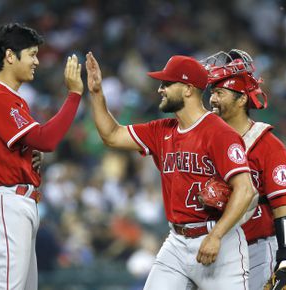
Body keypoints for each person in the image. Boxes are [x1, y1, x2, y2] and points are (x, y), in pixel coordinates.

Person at [86, 51, 256, 290]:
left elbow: (245, 190)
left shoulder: (220, 133)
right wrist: (96, 93)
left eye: (167, 83)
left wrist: (216, 235)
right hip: (177, 241)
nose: (160, 89)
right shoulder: (161, 130)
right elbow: (112, 136)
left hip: (219, 240)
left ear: (188, 89)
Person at [0, 23, 83, 290]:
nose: (36, 61)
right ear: (10, 56)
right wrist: (74, 95)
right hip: (4, 205)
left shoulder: (10, 99)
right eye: (31, 54)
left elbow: (33, 144)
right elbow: (46, 140)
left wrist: (29, 154)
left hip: (14, 204)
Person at [203, 49, 286, 289]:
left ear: (242, 99)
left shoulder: (268, 145)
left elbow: (282, 207)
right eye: (212, 93)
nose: (212, 100)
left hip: (258, 251)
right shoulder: (206, 138)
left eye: (220, 93)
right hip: (217, 248)